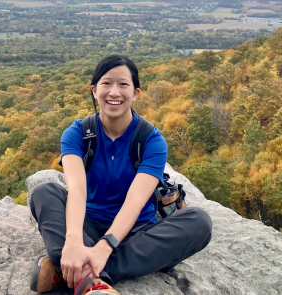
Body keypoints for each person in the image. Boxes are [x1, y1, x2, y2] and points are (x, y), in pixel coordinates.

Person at [29, 55, 212, 295]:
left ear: (136, 93)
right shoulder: (77, 134)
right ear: (94, 90)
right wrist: (73, 240)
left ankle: (73, 274)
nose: (114, 92)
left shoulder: (151, 141)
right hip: (88, 225)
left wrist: (105, 247)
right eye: (106, 83)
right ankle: (93, 279)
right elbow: (77, 189)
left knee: (199, 222)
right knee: (45, 192)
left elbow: (135, 200)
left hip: (135, 234)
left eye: (123, 84)